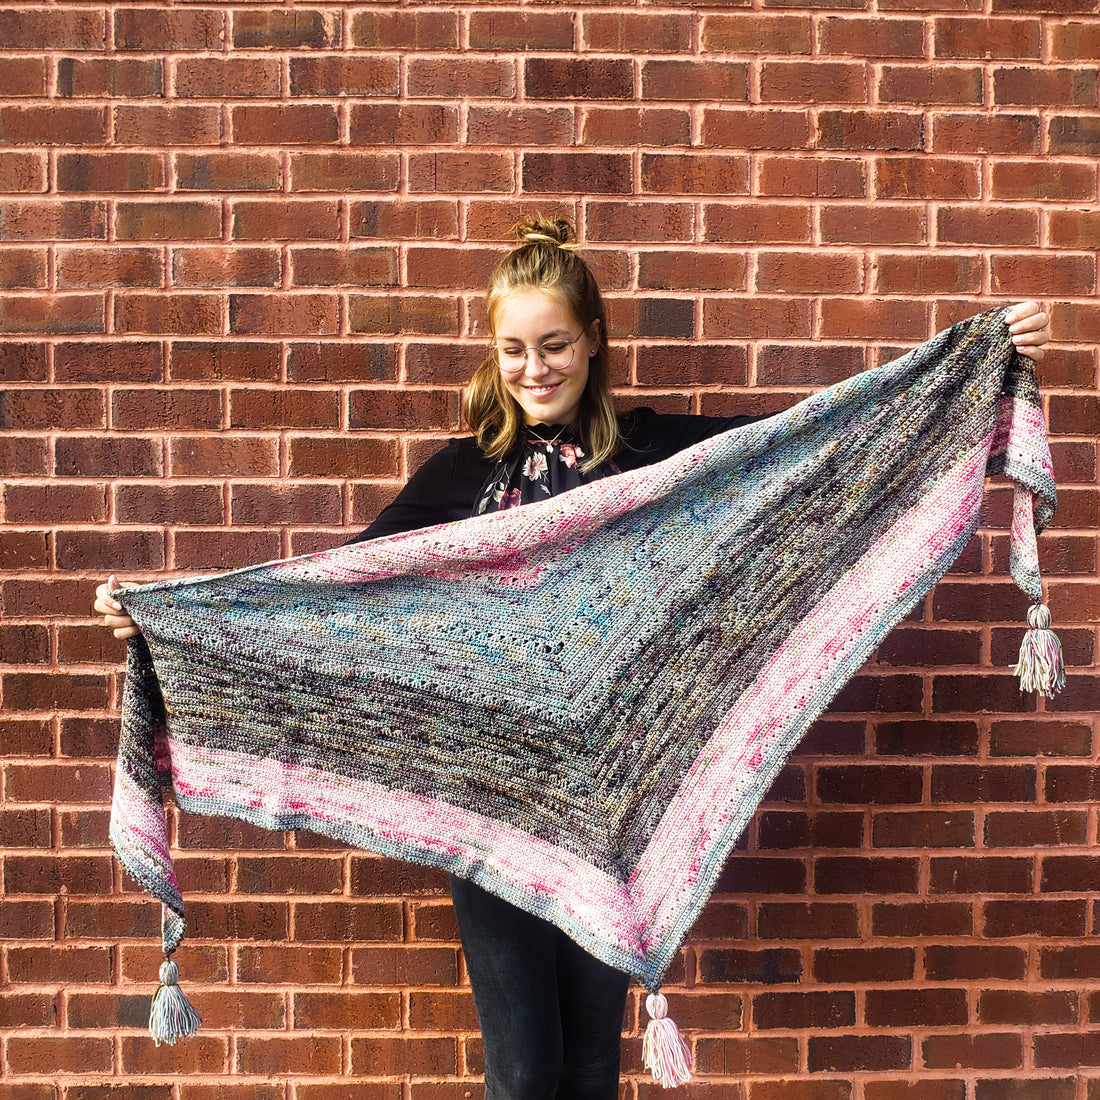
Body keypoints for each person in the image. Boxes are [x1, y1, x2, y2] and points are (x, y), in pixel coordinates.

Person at [95, 215, 1051, 1099]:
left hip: (614, 815)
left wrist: (973, 361)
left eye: (554, 344)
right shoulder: (460, 475)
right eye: (514, 349)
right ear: (493, 354)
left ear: (592, 338)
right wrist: (168, 619)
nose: (535, 366)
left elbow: (809, 457)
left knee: (594, 1068)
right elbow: (323, 595)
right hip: (494, 820)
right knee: (522, 1072)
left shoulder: (657, 458)